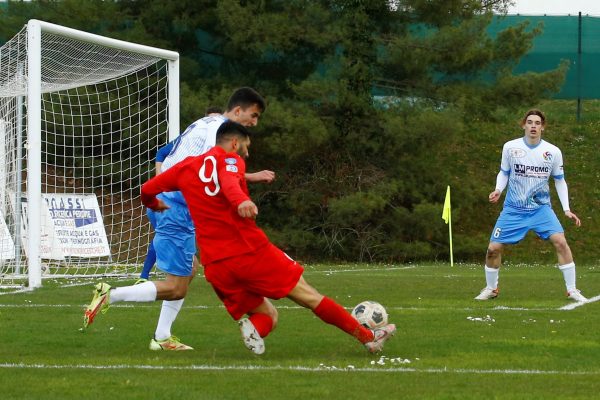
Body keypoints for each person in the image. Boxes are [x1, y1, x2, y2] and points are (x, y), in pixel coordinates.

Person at [139, 121, 396, 354]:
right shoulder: (230, 159)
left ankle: (255, 330)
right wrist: (241, 201)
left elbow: (147, 188)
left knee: (267, 314)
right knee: (309, 295)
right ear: (235, 143)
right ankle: (368, 338)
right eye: (247, 147)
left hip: (216, 266)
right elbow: (228, 181)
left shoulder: (186, 167)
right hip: (248, 251)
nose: (247, 154)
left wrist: (155, 203)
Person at [83, 88, 274, 351]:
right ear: (238, 110)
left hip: (170, 202)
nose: (254, 122)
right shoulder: (217, 132)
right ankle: (111, 296)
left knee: (189, 271)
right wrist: (250, 181)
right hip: (175, 207)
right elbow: (212, 174)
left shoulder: (206, 122)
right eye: (253, 115)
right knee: (176, 287)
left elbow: (175, 156)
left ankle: (162, 337)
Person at [474, 109, 586, 302]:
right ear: (524, 125)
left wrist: (566, 209)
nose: (533, 126)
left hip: (541, 209)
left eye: (537, 123)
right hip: (513, 209)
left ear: (543, 127)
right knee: (493, 248)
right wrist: (498, 190)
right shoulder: (510, 147)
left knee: (560, 241)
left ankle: (572, 290)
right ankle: (491, 289)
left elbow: (559, 180)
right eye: (530, 122)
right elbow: (504, 173)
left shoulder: (552, 152)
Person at [137, 106, 223, 283]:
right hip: (170, 202)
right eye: (210, 119)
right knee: (179, 279)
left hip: (169, 200)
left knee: (188, 266)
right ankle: (126, 288)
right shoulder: (191, 141)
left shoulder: (207, 148)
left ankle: (144, 278)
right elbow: (161, 153)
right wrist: (161, 178)